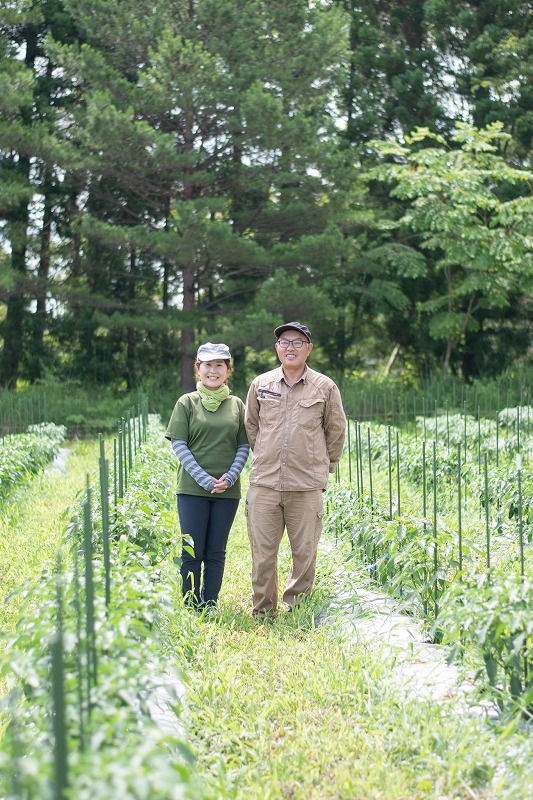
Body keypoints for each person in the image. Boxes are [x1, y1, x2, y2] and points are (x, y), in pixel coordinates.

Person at [244, 321, 346, 618]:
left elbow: (336, 429)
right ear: (277, 348)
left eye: (298, 342)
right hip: (265, 483)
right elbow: (251, 426)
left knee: (304, 552)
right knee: (263, 552)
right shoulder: (261, 384)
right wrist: (267, 453)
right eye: (285, 342)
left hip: (306, 485)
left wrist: (325, 465)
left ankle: (297, 609)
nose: (290, 347)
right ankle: (263, 610)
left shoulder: (325, 387)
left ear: (309, 348)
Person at [165, 342, 249, 610]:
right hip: (192, 489)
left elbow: (244, 445)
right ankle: (190, 604)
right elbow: (179, 444)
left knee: (216, 551)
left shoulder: (237, 405)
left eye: (219, 365)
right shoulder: (187, 402)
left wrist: (231, 476)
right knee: (192, 550)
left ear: (228, 370)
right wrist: (203, 479)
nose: (213, 370)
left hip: (227, 491)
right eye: (208, 365)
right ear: (198, 369)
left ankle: (210, 602)